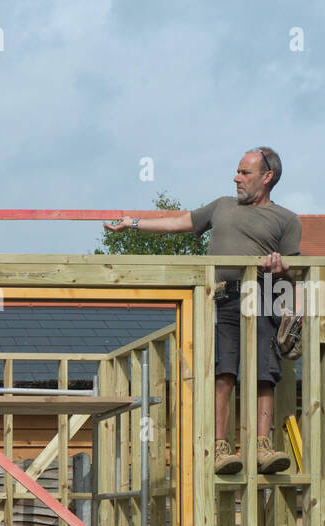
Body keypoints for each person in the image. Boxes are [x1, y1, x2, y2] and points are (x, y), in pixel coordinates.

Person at [105, 147, 300, 474]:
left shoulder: (286, 220)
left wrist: (281, 268)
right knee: (224, 375)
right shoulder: (222, 206)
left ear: (267, 178)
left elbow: (296, 271)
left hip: (262, 297)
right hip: (224, 299)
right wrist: (134, 223)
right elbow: (177, 223)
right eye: (237, 171)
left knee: (264, 375)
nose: (236, 178)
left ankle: (262, 447)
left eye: (245, 173)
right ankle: (221, 449)